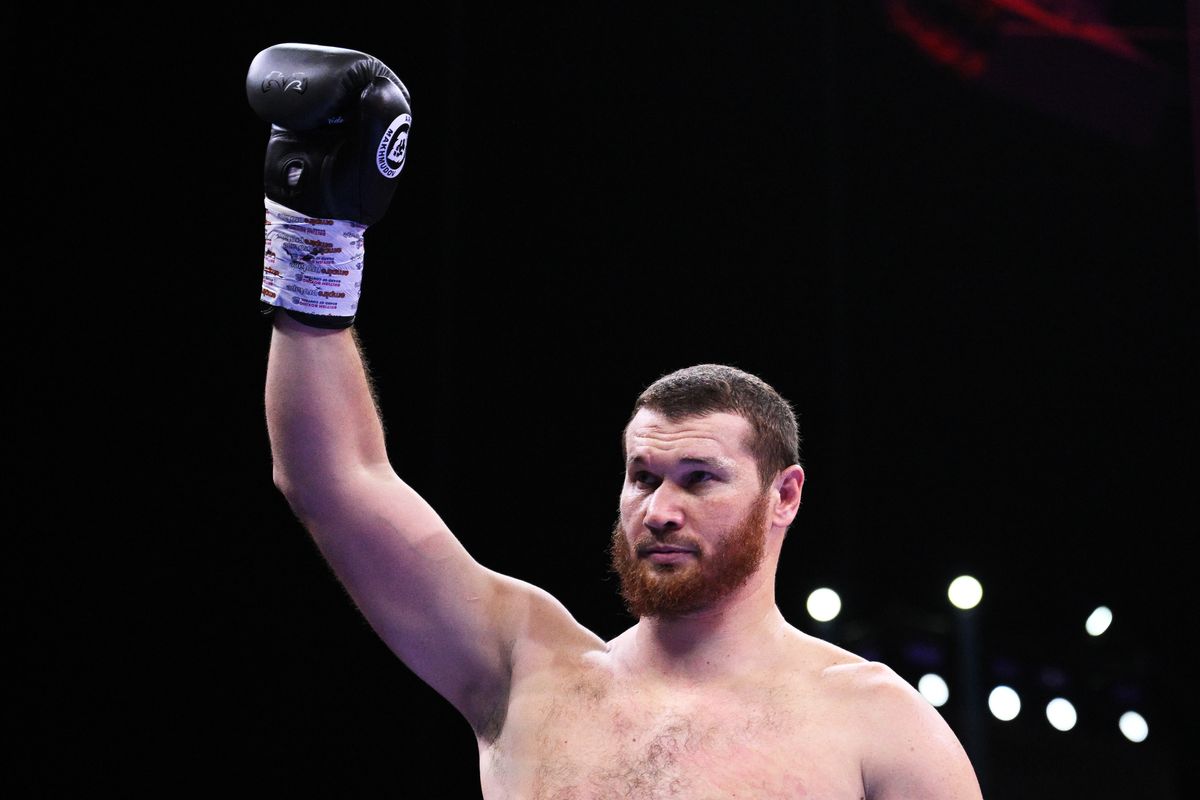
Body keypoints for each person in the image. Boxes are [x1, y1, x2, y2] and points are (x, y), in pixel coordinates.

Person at [250, 43, 984, 799]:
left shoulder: (876, 726)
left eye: (699, 479)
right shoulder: (528, 671)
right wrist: (315, 240)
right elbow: (335, 481)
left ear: (785, 496)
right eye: (643, 477)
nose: (659, 510)